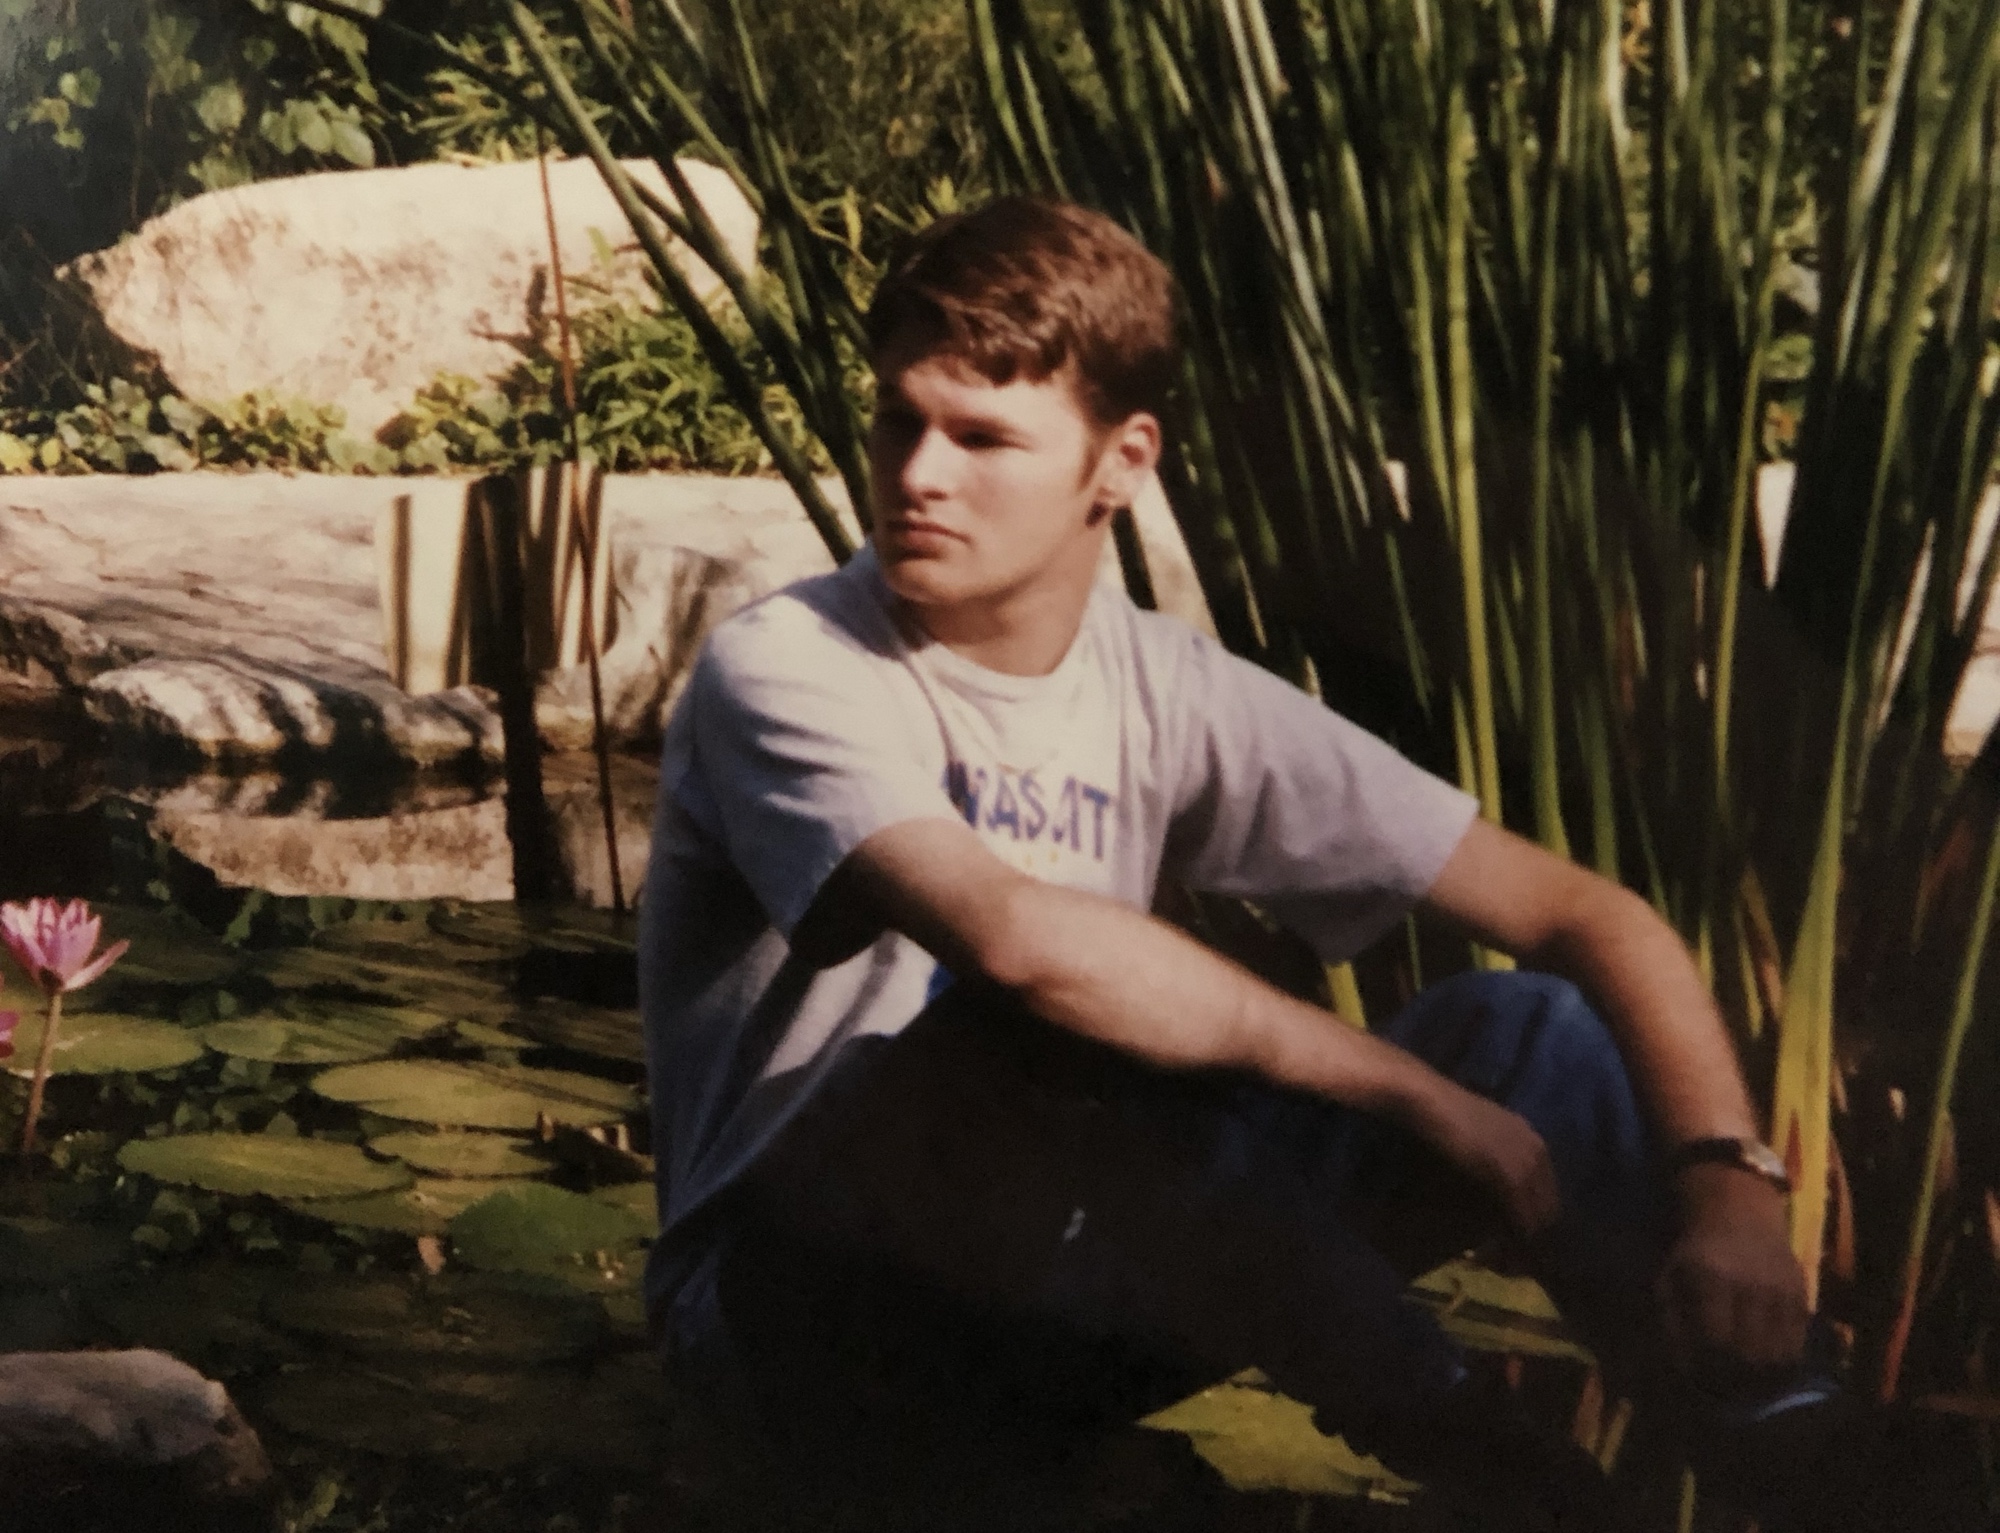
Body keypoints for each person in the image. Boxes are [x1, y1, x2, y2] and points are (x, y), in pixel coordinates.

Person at [637, 195, 1983, 1531]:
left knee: (1531, 1031)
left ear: (1122, 461)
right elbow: (1018, 943)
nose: (918, 472)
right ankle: (1513, 1471)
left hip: (1074, 1285)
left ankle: (1794, 1447)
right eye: (899, 419)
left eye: (981, 435)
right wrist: (1409, 1091)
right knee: (1054, 1024)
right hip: (802, 1332)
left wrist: (1728, 1188)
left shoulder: (1166, 685)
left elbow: (1587, 914)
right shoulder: (789, 663)